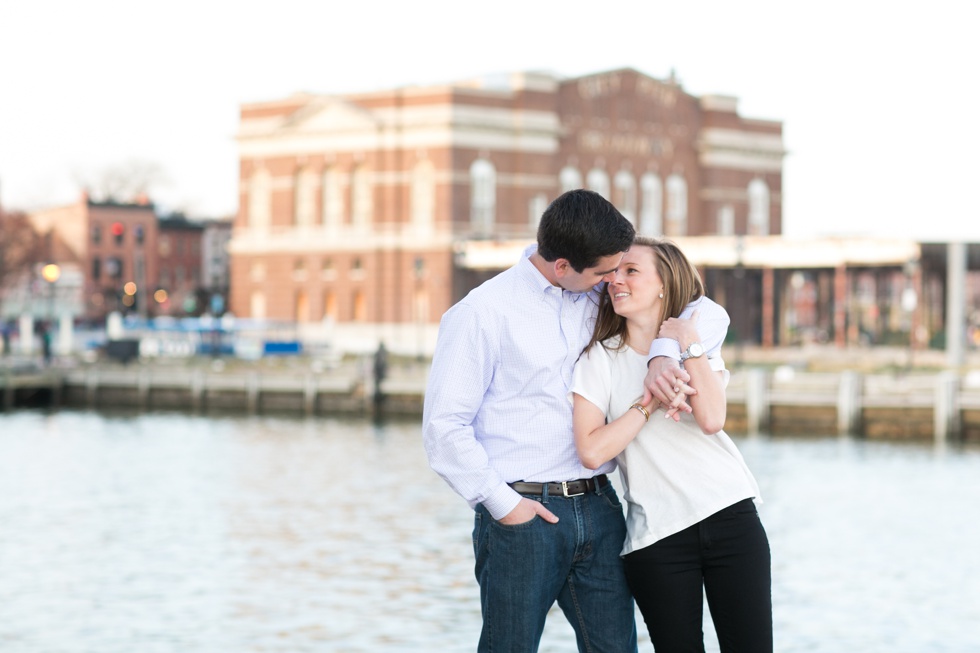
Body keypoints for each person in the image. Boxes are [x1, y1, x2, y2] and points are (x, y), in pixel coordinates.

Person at [422, 189, 727, 653]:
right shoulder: (481, 314)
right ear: (562, 266)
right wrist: (505, 507)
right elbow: (443, 428)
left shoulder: (597, 297)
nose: (613, 282)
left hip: (600, 510)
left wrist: (663, 355)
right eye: (605, 272)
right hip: (523, 515)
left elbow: (702, 309)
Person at [571, 237, 772, 653]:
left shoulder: (696, 345)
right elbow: (591, 450)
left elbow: (712, 419)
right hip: (657, 537)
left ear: (664, 284)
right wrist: (646, 405)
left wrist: (686, 343)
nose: (616, 281)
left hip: (730, 514)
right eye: (613, 273)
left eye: (631, 271)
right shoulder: (599, 359)